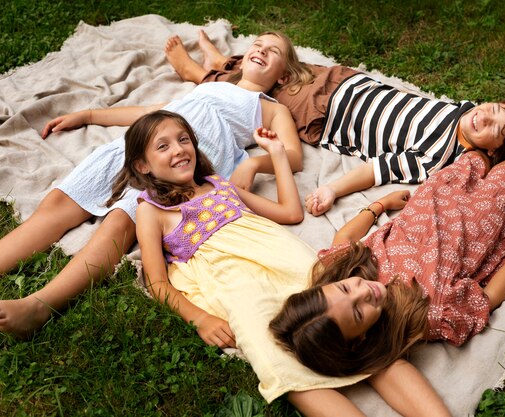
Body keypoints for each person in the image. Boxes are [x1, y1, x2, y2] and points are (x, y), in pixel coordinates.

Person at [125, 110, 452, 417]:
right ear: (142, 166)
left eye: (184, 139)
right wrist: (200, 318)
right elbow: (157, 283)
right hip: (236, 279)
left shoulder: (218, 185)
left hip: (286, 259)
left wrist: (277, 153)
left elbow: (290, 213)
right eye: (163, 146)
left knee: (363, 338)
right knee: (276, 354)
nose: (179, 150)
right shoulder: (151, 211)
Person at [0, 31, 306, 338]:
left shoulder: (271, 108)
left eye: (274, 51)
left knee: (121, 222)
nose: (262, 51)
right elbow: (152, 114)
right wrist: (90, 115)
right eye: (258, 45)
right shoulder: (212, 86)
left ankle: (39, 306)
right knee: (57, 204)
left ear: (283, 77)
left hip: (183, 165)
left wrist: (253, 163)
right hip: (137, 146)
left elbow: (293, 156)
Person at [165, 31, 505, 216]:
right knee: (290, 68)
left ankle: (202, 74)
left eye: (493, 126)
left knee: (257, 92)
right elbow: (496, 122)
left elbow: (377, 169)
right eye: (492, 106)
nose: (483, 114)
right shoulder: (471, 115)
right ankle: (224, 63)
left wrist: (333, 189)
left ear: (493, 151)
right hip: (347, 81)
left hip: (325, 115)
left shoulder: (439, 157)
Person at [269, 149, 505, 377]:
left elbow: (344, 237)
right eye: (358, 312)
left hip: (436, 198)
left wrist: (380, 205)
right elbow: (488, 298)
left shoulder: (340, 268)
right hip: (480, 219)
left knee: (476, 155)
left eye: (346, 290)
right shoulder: (425, 315)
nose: (365, 292)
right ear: (359, 341)